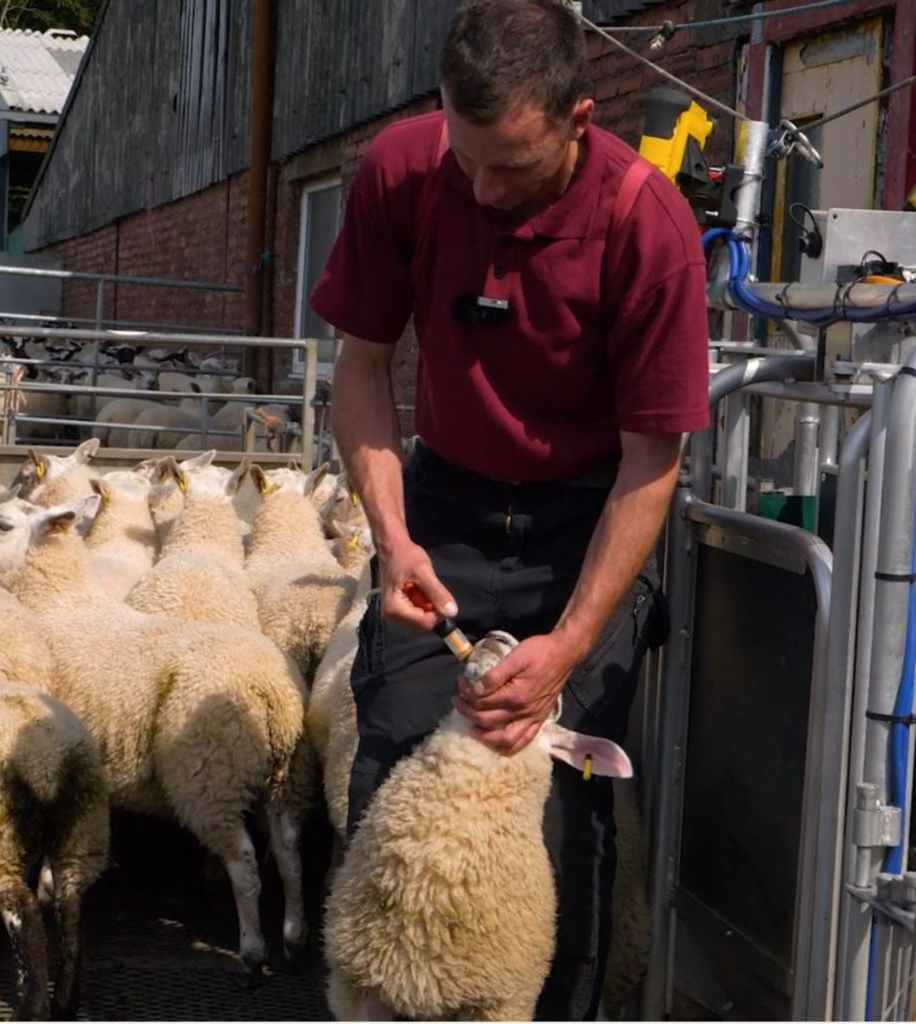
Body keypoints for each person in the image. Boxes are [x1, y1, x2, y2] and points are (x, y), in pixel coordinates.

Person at [310, 0, 710, 1017]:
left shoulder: (643, 222)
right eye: (467, 156)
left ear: (579, 116)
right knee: (399, 750)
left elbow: (648, 462)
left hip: (585, 518)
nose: (483, 190)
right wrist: (390, 535)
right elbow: (359, 370)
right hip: (441, 503)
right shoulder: (402, 170)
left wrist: (569, 646)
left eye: (513, 166)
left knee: (564, 810)